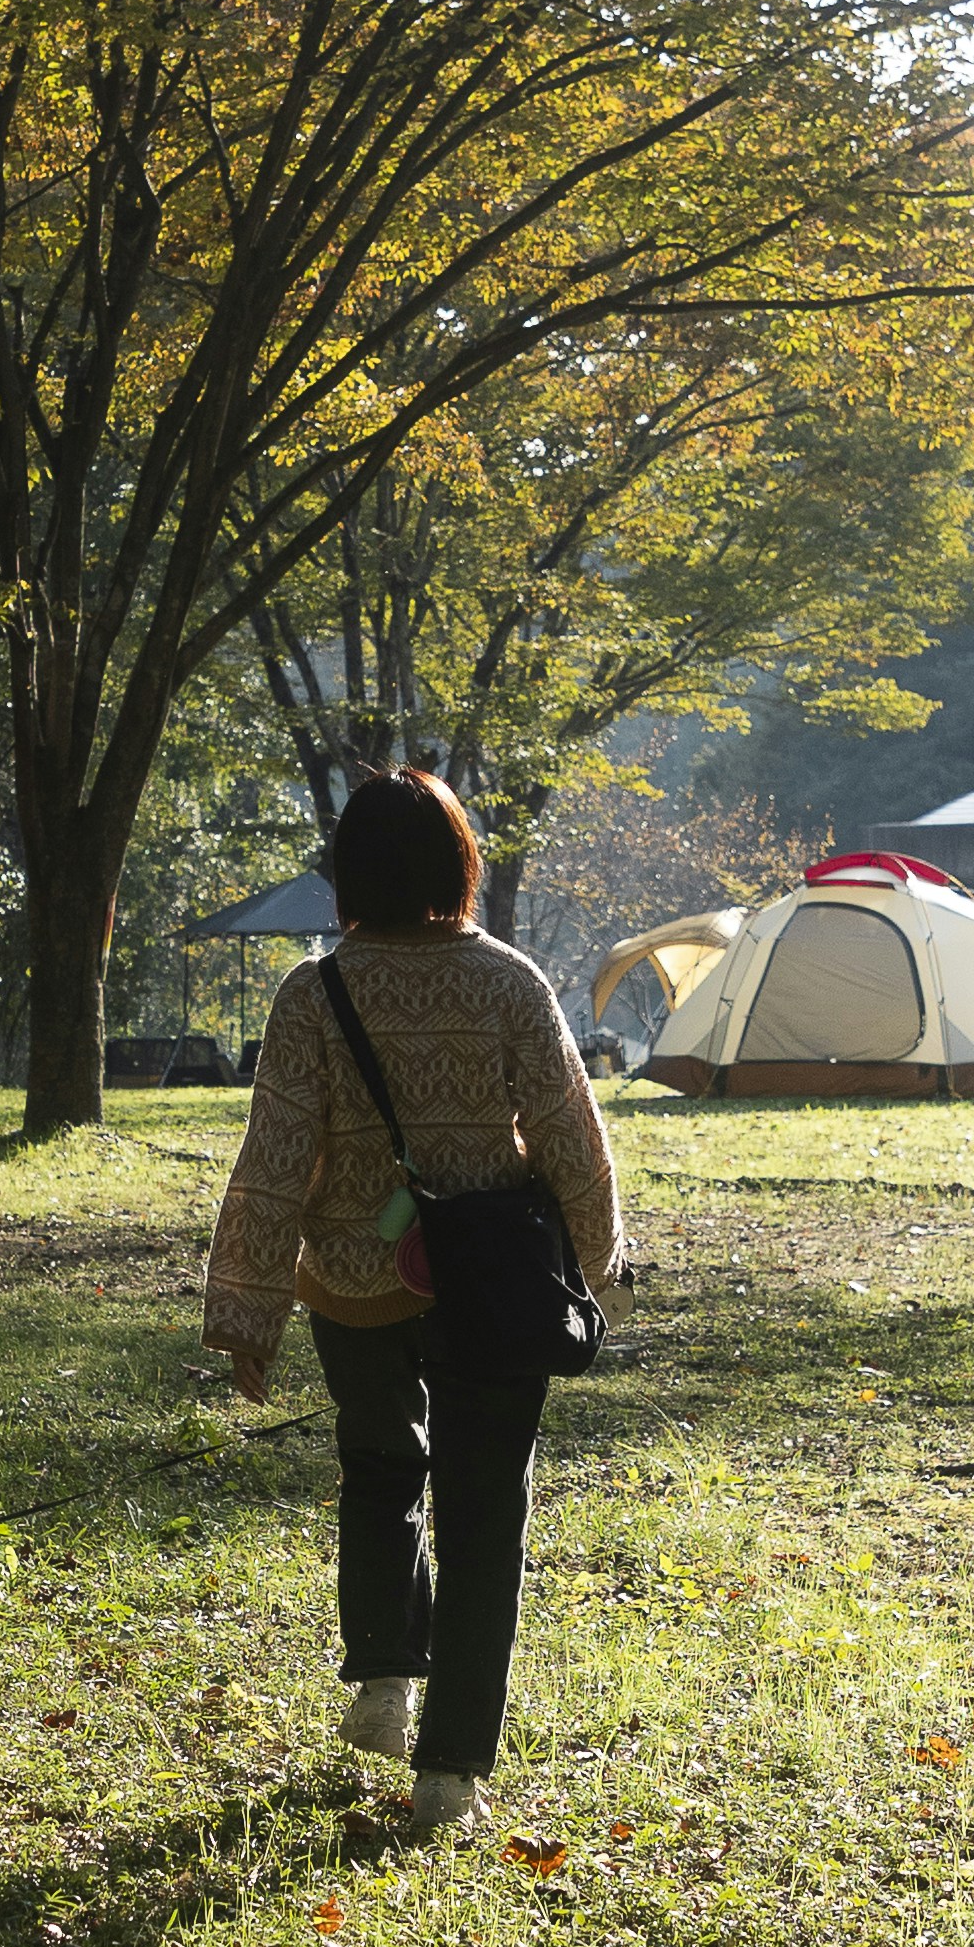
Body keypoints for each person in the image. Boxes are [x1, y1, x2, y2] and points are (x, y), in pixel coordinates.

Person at [201, 769, 626, 1835]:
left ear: (347, 873)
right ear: (456, 864)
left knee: (381, 1469)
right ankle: (450, 1774)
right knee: (488, 1517)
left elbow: (273, 1160)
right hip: (494, 1286)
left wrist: (248, 1314)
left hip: (355, 1284)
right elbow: (573, 1136)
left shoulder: (313, 992)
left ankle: (386, 1682)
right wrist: (598, 1256)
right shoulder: (510, 983)